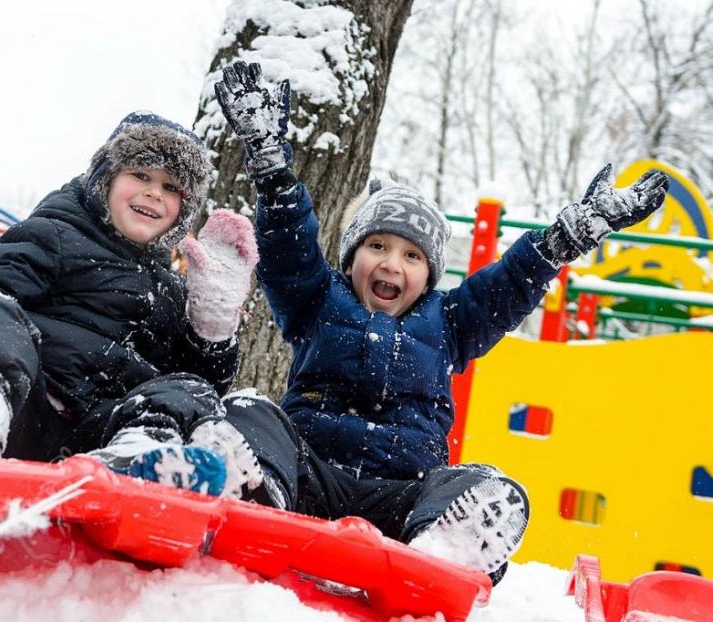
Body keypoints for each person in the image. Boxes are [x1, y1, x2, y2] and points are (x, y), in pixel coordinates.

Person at [213, 61, 669, 581]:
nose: (390, 264)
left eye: (412, 256)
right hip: (308, 476)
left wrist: (567, 238)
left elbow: (511, 282)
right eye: (377, 246)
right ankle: (254, 495)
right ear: (349, 259)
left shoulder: (450, 321)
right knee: (249, 410)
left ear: (429, 276)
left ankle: (444, 548)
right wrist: (273, 173)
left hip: (402, 501)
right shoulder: (318, 301)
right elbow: (288, 250)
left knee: (490, 485)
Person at [0, 111, 270, 500]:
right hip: (25, 409)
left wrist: (212, 328)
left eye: (171, 188)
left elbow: (196, 385)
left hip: (100, 438)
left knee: (189, 388)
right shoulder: (55, 234)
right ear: (105, 178)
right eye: (140, 174)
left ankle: (142, 457)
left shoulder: (171, 292)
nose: (153, 193)